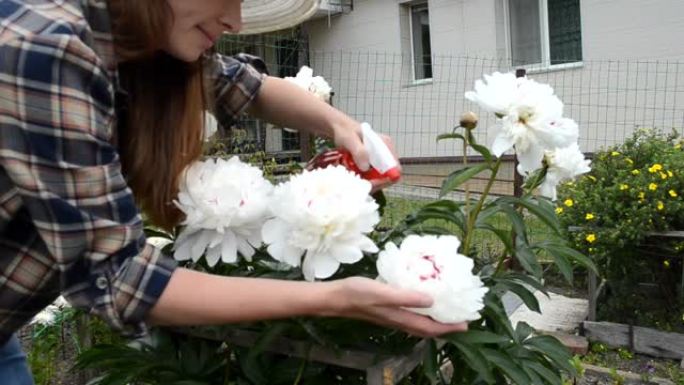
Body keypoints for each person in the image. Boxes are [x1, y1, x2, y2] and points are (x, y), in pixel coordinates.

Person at [0, 0, 467, 383]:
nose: (236, 21)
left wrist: (342, 127)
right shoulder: (49, 49)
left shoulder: (141, 44)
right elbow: (121, 281)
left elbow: (250, 87)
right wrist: (337, 298)